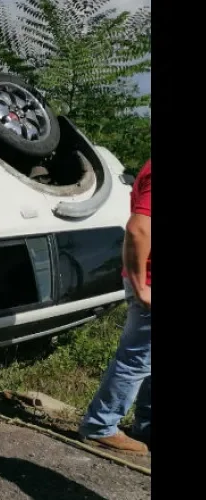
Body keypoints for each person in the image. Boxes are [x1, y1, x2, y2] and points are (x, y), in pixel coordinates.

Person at [79, 158, 151, 455]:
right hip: (149, 282)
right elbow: (137, 229)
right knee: (137, 360)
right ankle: (100, 425)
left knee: (147, 360)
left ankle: (145, 426)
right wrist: (142, 287)